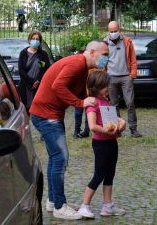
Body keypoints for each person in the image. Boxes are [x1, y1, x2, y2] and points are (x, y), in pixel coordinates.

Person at [29, 40, 109, 220]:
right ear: (92, 51)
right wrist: (80, 103)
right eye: (104, 55)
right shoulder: (76, 64)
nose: (106, 59)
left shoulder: (83, 69)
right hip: (46, 115)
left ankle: (52, 201)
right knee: (60, 159)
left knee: (54, 159)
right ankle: (59, 206)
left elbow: (80, 93)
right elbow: (57, 86)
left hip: (50, 114)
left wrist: (96, 99)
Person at [77, 71, 126, 219]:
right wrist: (107, 131)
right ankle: (84, 206)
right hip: (100, 144)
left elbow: (113, 118)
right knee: (99, 174)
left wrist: (121, 123)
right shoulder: (92, 103)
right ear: (95, 87)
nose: (107, 88)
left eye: (107, 85)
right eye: (104, 86)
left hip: (111, 142)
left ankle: (107, 205)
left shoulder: (105, 100)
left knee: (110, 173)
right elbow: (92, 126)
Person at [104, 21, 142, 137]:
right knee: (114, 104)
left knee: (130, 103)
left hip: (126, 77)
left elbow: (133, 59)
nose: (113, 33)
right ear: (108, 31)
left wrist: (132, 75)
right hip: (111, 77)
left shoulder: (127, 41)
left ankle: (133, 129)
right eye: (111, 31)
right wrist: (103, 75)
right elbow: (101, 61)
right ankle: (117, 129)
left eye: (115, 31)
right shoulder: (104, 43)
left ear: (119, 29)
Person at [18, 31, 50, 112]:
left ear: (40, 42)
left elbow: (46, 70)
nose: (35, 41)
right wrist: (32, 82)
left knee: (38, 109)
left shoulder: (43, 54)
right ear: (29, 40)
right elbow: (21, 70)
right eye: (33, 39)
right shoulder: (23, 53)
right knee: (26, 108)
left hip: (38, 86)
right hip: (25, 85)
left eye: (37, 39)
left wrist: (37, 81)